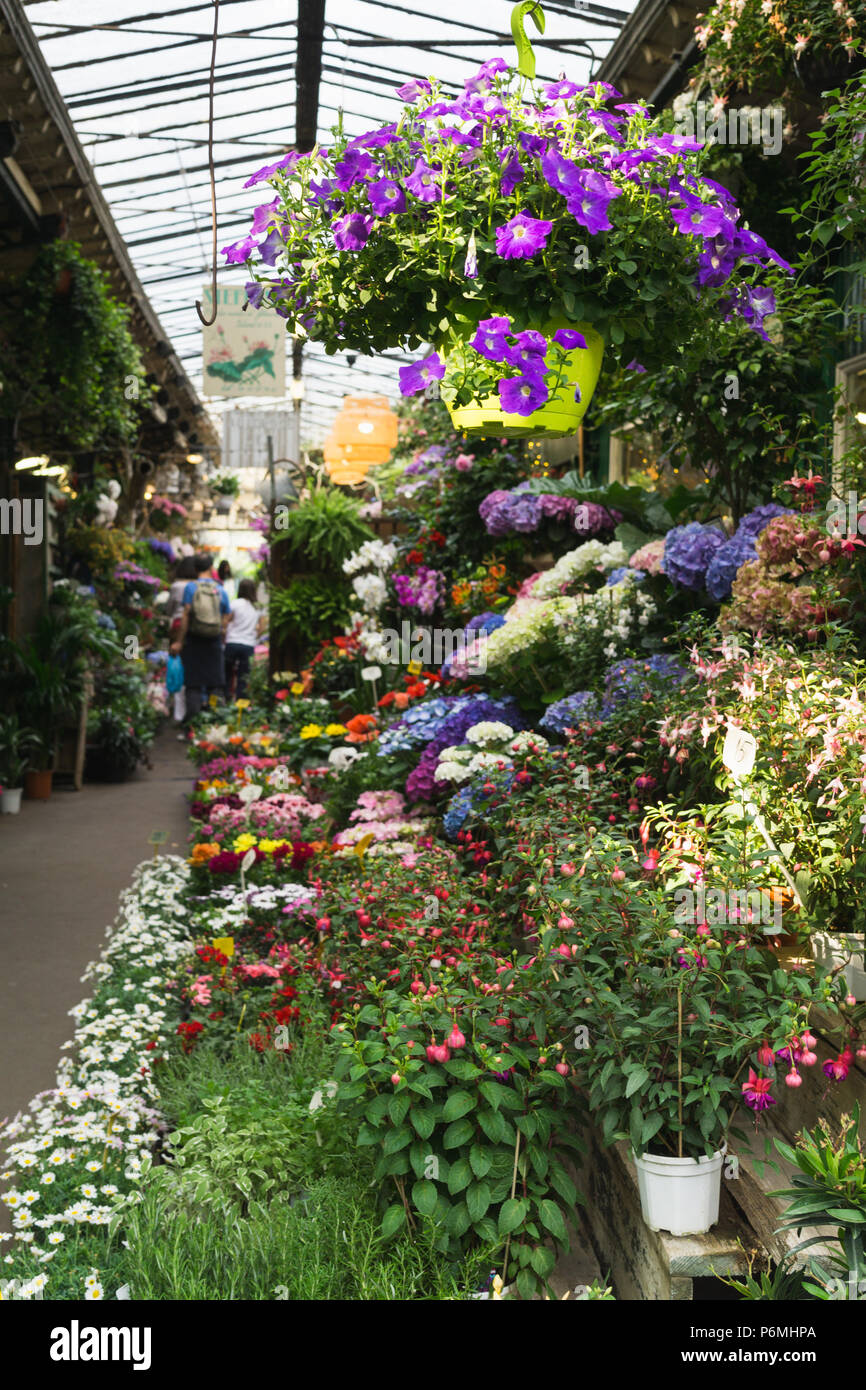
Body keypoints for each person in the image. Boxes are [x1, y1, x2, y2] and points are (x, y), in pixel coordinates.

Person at [171, 553, 230, 721]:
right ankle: (214, 723)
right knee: (215, 684)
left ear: (195, 569)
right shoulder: (220, 589)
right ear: (211, 568)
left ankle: (193, 725)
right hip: (214, 641)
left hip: (194, 640)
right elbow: (226, 615)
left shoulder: (191, 587)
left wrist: (179, 641)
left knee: (193, 684)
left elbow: (186, 615)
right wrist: (221, 631)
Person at [224, 578, 266, 700]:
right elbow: (262, 628)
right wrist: (254, 636)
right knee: (244, 676)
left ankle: (226, 698)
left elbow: (226, 621)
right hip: (248, 644)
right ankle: (241, 702)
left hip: (232, 642)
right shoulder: (258, 607)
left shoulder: (235, 603)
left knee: (227, 673)